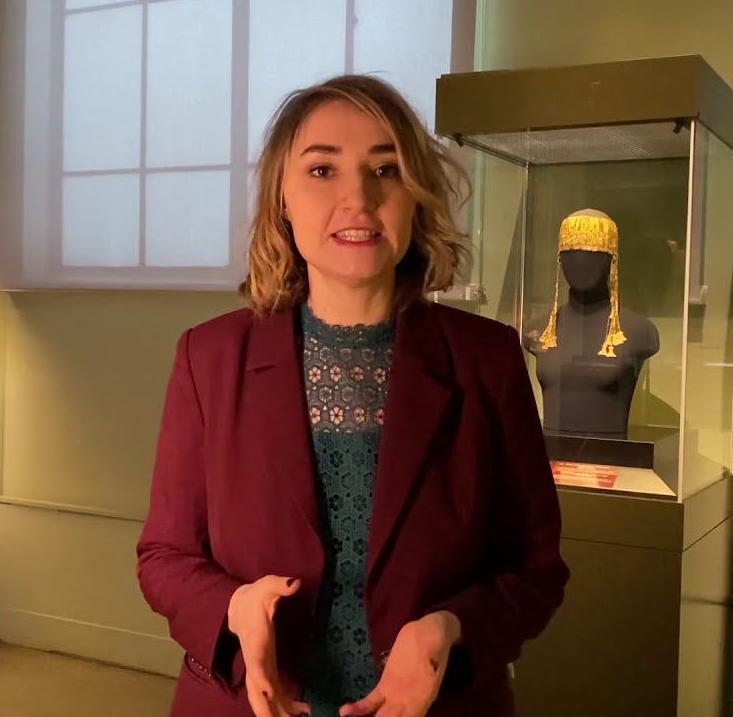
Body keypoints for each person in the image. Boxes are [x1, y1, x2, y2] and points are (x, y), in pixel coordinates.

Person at [136, 74, 568, 717]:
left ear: (416, 196)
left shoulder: (488, 359)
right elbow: (165, 557)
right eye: (321, 170)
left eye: (385, 170)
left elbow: (535, 569)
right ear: (282, 198)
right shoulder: (210, 357)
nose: (358, 199)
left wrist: (450, 628)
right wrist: (234, 607)